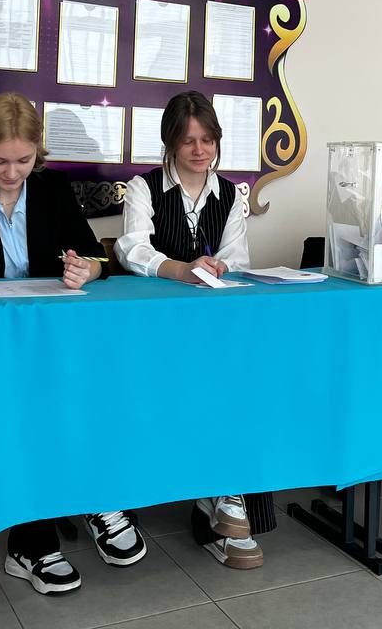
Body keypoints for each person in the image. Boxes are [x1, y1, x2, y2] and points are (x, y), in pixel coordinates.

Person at [0, 92, 148, 595]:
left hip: (50, 335)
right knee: (26, 406)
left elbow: (97, 256)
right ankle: (33, 541)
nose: (12, 173)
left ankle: (93, 496)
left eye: (23, 161)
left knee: (100, 386)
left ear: (38, 153)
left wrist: (87, 269)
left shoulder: (52, 189)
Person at [116, 90, 272, 570]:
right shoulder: (143, 188)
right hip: (154, 329)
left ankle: (226, 497)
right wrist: (180, 269)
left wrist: (219, 267)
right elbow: (132, 250)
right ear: (170, 143)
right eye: (188, 141)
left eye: (207, 140)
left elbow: (237, 257)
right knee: (199, 388)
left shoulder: (229, 195)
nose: (199, 150)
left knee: (246, 382)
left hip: (210, 326)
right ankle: (220, 495)